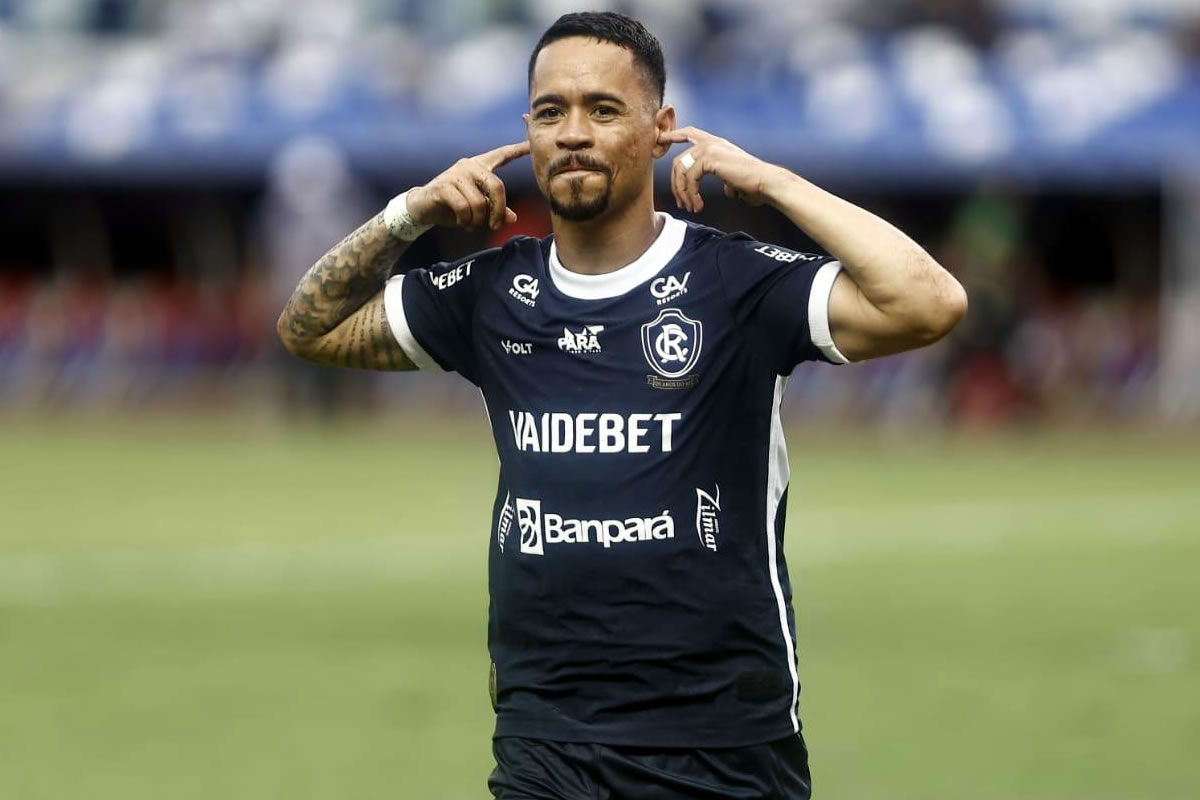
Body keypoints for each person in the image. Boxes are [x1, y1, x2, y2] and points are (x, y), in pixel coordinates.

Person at [277, 11, 966, 799]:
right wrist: (411, 212)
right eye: (550, 112)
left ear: (660, 128)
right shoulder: (492, 291)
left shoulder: (734, 283)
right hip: (546, 738)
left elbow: (929, 302)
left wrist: (772, 182)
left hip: (722, 742)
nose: (573, 133)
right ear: (528, 133)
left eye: (602, 109)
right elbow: (308, 329)